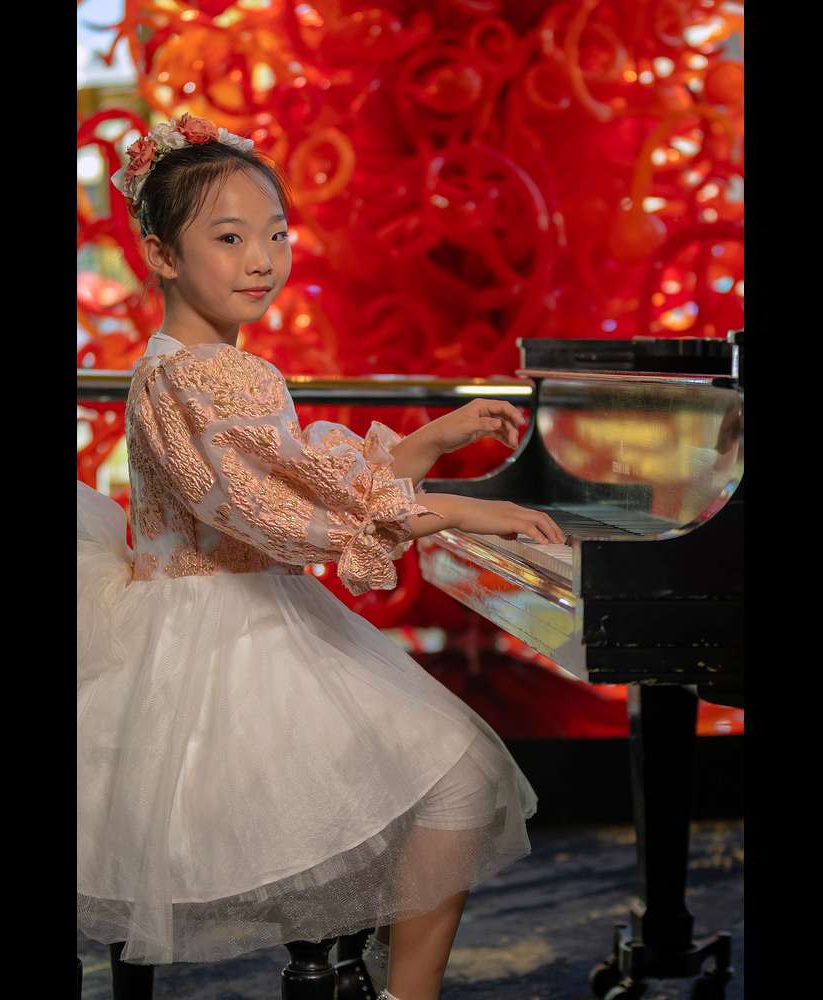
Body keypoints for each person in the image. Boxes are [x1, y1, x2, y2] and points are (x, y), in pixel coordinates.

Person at [77, 114, 566, 1000]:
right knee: (459, 776)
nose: (262, 260)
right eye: (229, 238)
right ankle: (402, 989)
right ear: (161, 254)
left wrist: (433, 441)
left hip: (211, 619)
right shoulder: (207, 374)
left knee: (438, 774)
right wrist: (462, 509)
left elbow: (301, 478)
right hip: (226, 642)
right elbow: (277, 512)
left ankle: (376, 969)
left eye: (276, 234)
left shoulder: (179, 365)